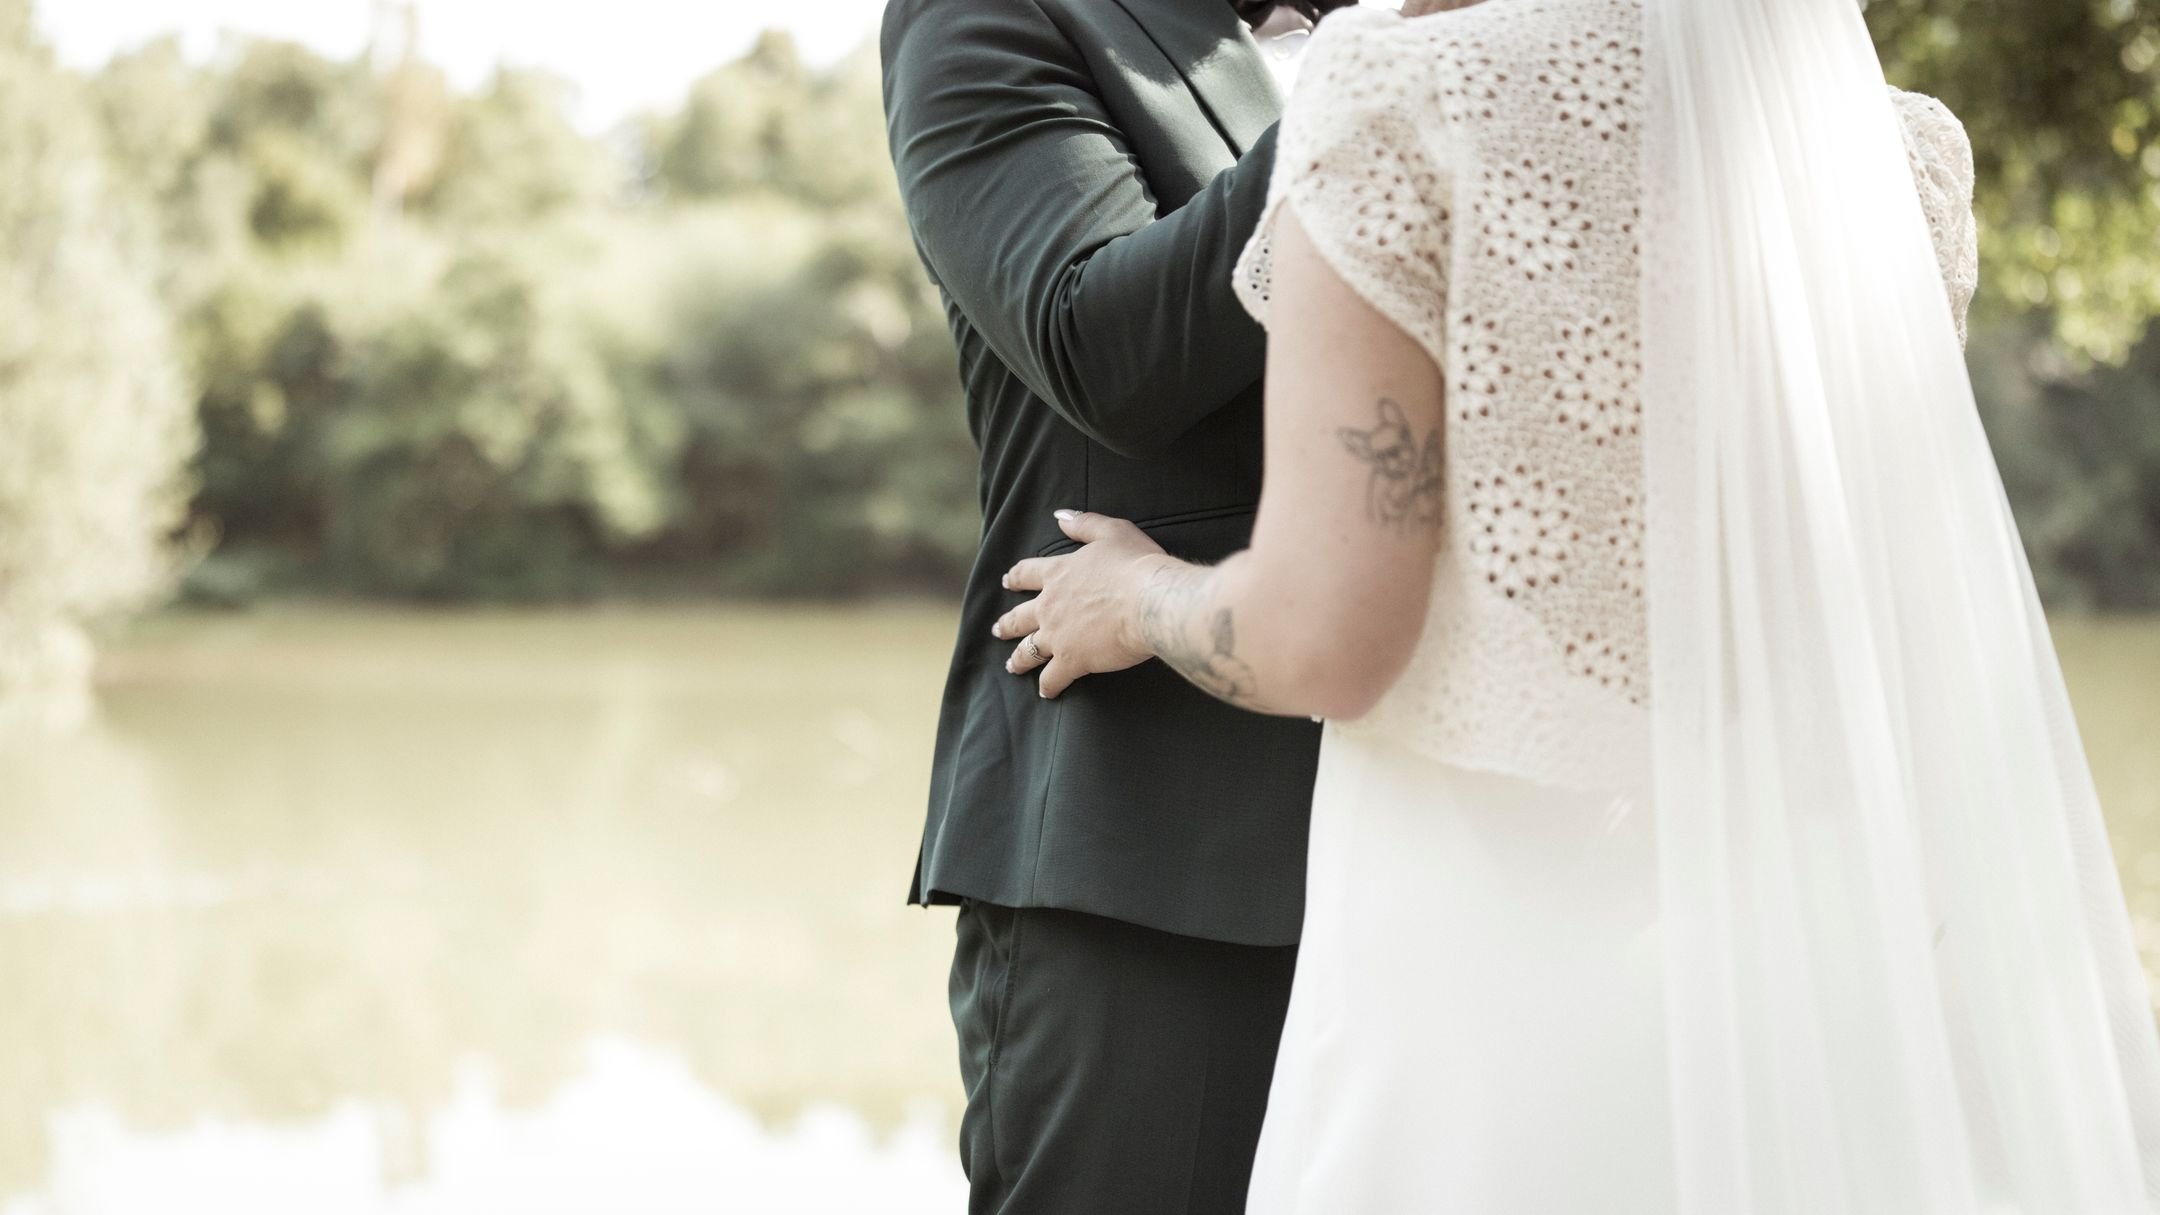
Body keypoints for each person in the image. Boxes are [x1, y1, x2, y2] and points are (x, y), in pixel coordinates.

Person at [996, 0, 2160, 1209]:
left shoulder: (1401, 96)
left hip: (1485, 995)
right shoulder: (1890, 153)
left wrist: (1138, 599)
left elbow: (1322, 642)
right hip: (1808, 972)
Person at [878, 1, 1356, 1211]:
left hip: (1470, 842)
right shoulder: (991, 17)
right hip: (1158, 864)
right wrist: (1385, 86)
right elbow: (1098, 343)